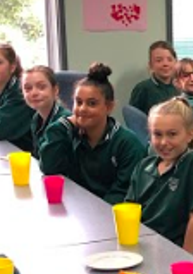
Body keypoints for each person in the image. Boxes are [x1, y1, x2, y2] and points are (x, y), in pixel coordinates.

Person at [39, 63, 146, 205]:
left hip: (107, 213)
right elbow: (49, 168)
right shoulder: (69, 134)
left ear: (109, 107)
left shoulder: (127, 144)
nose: (83, 109)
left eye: (92, 103)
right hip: (77, 206)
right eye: (78, 102)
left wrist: (93, 211)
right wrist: (63, 125)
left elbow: (123, 194)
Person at [126, 98, 193, 254]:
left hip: (168, 251)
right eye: (157, 134)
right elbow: (129, 212)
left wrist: (186, 258)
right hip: (140, 246)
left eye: (172, 134)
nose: (163, 142)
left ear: (190, 134)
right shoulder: (143, 167)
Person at [23, 65, 71, 158]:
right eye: (28, 88)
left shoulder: (63, 121)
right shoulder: (36, 119)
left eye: (41, 87)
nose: (34, 93)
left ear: (55, 90)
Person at [129, 41, 179, 113]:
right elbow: (133, 116)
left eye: (169, 60)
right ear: (150, 65)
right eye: (159, 60)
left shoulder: (180, 87)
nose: (165, 64)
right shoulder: (143, 88)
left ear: (176, 62)